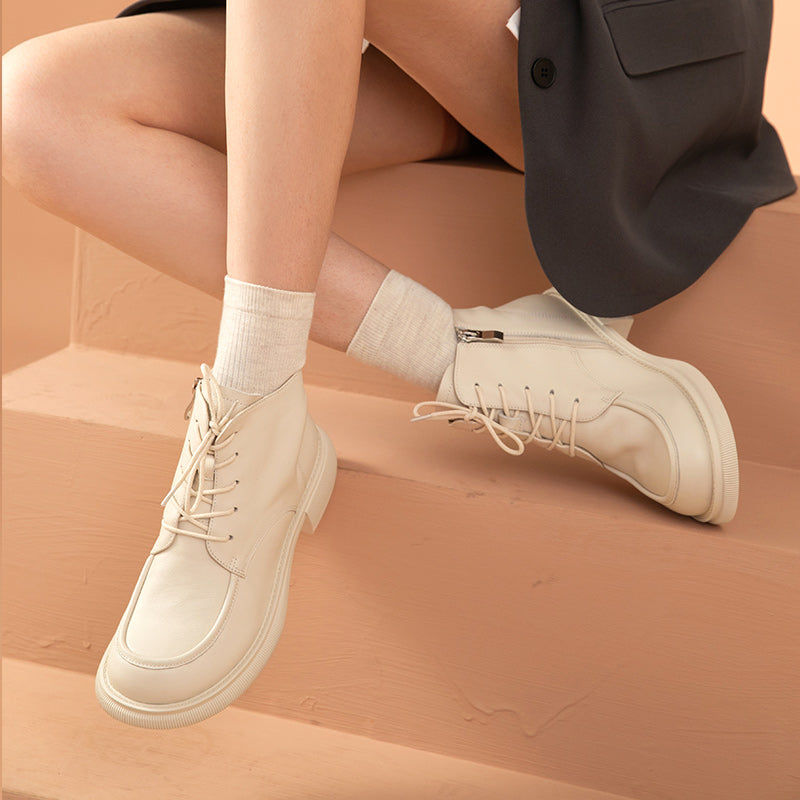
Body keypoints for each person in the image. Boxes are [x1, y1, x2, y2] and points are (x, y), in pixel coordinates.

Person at [2, 0, 795, 729]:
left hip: (611, 57)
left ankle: (253, 389)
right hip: (389, 42)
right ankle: (469, 359)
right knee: (36, 106)